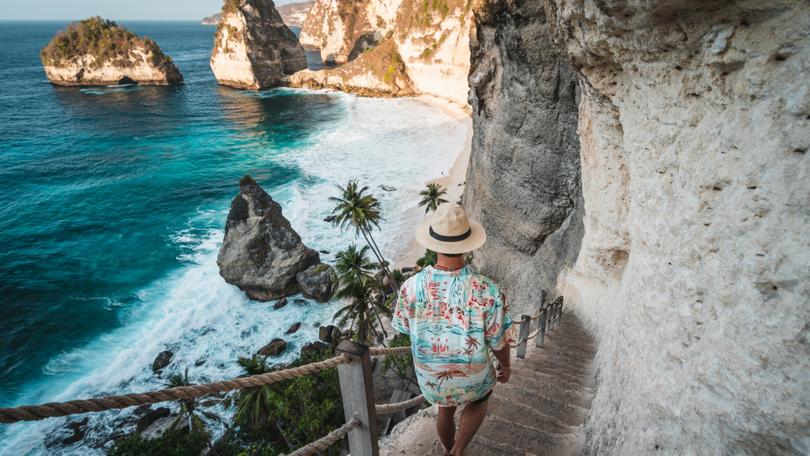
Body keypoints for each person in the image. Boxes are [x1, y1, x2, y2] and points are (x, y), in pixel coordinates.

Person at [392, 203, 514, 456]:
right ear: (467, 244)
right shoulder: (488, 290)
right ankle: (459, 449)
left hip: (432, 375)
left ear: (433, 243)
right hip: (475, 373)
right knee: (479, 401)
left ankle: (448, 449)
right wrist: (506, 365)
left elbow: (405, 327)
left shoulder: (410, 287)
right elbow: (499, 340)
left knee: (444, 409)